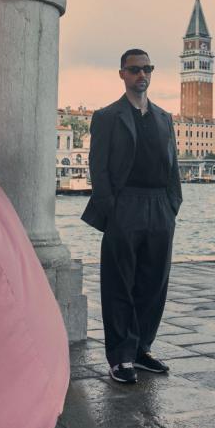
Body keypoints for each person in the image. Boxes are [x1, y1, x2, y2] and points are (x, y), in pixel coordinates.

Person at [81, 49, 182, 384]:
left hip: (159, 208)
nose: (142, 75)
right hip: (125, 205)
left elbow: (173, 167)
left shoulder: (165, 117)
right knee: (119, 284)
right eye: (135, 70)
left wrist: (171, 206)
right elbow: (99, 167)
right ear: (122, 74)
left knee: (154, 284)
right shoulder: (107, 116)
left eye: (147, 69)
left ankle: (141, 351)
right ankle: (121, 356)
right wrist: (113, 210)